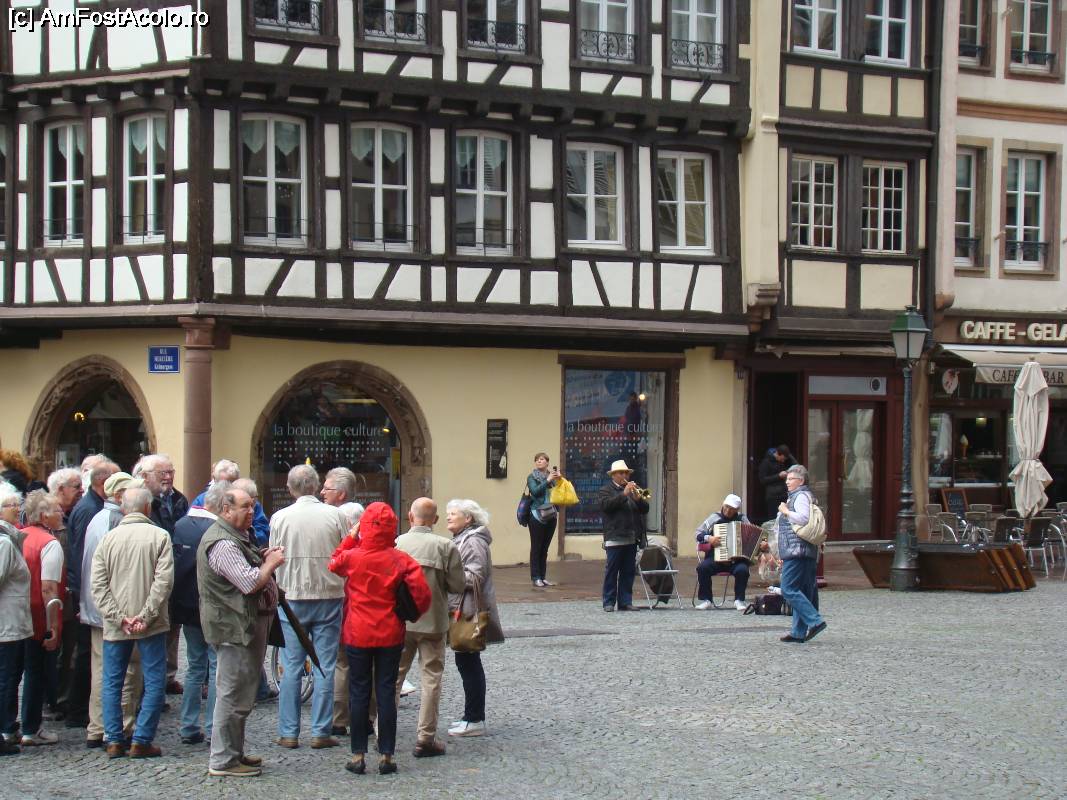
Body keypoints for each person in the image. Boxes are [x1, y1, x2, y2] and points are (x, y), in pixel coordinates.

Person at [329, 502, 430, 776]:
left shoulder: (353, 557)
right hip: (390, 633)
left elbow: (334, 561)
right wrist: (410, 614)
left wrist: (351, 537)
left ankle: (358, 754)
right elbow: (422, 594)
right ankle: (386, 755)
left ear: (364, 527)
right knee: (386, 692)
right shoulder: (401, 559)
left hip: (357, 632)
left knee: (358, 691)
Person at [198, 487, 284, 778]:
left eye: (253, 505)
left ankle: (233, 752)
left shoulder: (236, 537)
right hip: (233, 627)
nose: (251, 511)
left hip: (241, 625)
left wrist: (260, 556)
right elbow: (248, 583)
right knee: (232, 693)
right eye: (245, 506)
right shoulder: (223, 543)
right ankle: (223, 760)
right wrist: (269, 565)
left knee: (241, 692)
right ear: (226, 510)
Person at [89, 486, 174, 758]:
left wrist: (118, 617)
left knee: (112, 681)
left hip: (118, 625)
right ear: (147, 508)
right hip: (151, 624)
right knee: (154, 680)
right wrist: (146, 615)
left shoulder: (108, 539)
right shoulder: (160, 536)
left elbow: (98, 586)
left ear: (124, 509)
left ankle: (114, 739)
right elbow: (163, 583)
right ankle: (141, 739)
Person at [269, 465, 348, 750]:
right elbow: (346, 552)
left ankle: (289, 732)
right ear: (315, 487)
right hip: (329, 593)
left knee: (291, 665)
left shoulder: (280, 517)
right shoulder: (335, 515)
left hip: (292, 596)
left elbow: (274, 556)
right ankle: (320, 731)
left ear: (290, 489)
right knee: (324, 664)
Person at [395, 498, 465, 757]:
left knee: (393, 676)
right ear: (435, 520)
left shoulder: (397, 543)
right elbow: (458, 585)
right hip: (433, 620)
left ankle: (383, 731)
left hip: (401, 621)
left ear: (409, 516)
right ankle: (425, 737)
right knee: (431, 678)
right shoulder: (445, 546)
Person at [80, 472, 144, 749]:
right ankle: (119, 728)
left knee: (102, 670)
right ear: (119, 496)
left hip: (97, 606)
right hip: (113, 609)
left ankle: (98, 727)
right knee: (124, 671)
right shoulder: (116, 521)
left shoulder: (98, 516)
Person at [63, 459, 118, 730]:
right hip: (87, 591)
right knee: (87, 654)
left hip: (87, 591)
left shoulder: (92, 507)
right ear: (103, 484)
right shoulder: (90, 510)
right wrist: (81, 594)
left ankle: (81, 710)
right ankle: (77, 710)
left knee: (89, 654)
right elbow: (82, 555)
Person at [172, 481, 229, 745]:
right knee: (216, 666)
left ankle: (188, 724)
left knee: (194, 666)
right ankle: (213, 725)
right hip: (213, 605)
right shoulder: (219, 530)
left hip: (187, 605)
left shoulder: (181, 525)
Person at [445, 499, 504, 738]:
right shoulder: (464, 538)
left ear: (468, 518)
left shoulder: (473, 541)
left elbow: (475, 576)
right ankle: (471, 717)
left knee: (469, 663)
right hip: (463, 606)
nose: (448, 517)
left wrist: (445, 576)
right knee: (466, 662)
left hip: (468, 610)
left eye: (453, 513)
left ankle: (474, 718)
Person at [134, 454, 188, 696]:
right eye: (162, 473)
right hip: (153, 573)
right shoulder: (141, 502)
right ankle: (149, 687)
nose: (168, 477)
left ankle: (167, 676)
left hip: (175, 569)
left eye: (170, 472)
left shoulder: (178, 499)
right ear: (145, 477)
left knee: (172, 627)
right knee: (153, 631)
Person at [16, 490, 65, 746]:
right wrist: (53, 625)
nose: (61, 514)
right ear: (44, 516)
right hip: (38, 615)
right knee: (36, 673)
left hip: (18, 613)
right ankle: (31, 727)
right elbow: (48, 587)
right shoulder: (49, 543)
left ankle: (11, 726)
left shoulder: (18, 537)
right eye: (57, 510)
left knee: (14, 672)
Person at [319, 467, 363, 737]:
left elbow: (335, 562)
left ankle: (338, 717)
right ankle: (364, 716)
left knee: (341, 660)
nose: (321, 492)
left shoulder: (337, 523)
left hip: (341, 600)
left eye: (327, 488)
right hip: (355, 605)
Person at [777, 465, 827, 644]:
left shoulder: (800, 496)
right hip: (804, 550)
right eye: (787, 479)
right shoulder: (802, 496)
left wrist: (785, 511)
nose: (787, 482)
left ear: (801, 481)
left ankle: (815, 620)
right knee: (803, 590)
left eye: (791, 479)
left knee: (788, 588)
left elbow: (803, 519)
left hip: (796, 550)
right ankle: (798, 632)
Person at [0, 483, 32, 756]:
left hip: (10, 621)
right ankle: (3, 731)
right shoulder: (3, 543)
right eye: (12, 505)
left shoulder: (9, 539)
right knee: (6, 679)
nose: (17, 509)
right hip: (6, 623)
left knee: (9, 678)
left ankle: (7, 728)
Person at [598, 460, 648, 613]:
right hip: (615, 536)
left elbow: (645, 509)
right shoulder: (605, 490)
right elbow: (607, 506)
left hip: (632, 537)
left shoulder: (633, 490)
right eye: (621, 473)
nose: (624, 475)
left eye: (626, 473)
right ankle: (608, 602)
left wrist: (638, 500)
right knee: (612, 571)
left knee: (628, 572)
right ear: (613, 475)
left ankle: (625, 602)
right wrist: (624, 494)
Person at [694, 494, 753, 612]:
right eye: (726, 506)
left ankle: (739, 600)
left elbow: (753, 536)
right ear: (723, 504)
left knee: (743, 570)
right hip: (715, 558)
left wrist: (761, 543)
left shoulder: (742, 519)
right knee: (702, 568)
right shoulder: (714, 518)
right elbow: (697, 534)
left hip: (736, 560)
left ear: (737, 509)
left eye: (732, 508)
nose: (728, 510)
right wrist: (709, 538)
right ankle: (707, 599)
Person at [526, 454, 561, 588]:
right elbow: (535, 492)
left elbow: (560, 491)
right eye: (537, 459)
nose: (539, 461)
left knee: (545, 548)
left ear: (547, 463)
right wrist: (547, 480)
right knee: (536, 547)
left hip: (551, 514)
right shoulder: (532, 477)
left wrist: (559, 479)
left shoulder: (552, 476)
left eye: (542, 459)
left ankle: (543, 577)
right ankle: (536, 577)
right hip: (537, 515)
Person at [758, 445, 796, 522]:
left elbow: (796, 465)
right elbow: (762, 480)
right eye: (783, 458)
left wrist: (790, 455)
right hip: (773, 497)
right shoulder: (766, 462)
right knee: (773, 520)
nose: (783, 461)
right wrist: (778, 476)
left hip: (784, 494)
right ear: (778, 454)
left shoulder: (782, 461)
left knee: (785, 519)